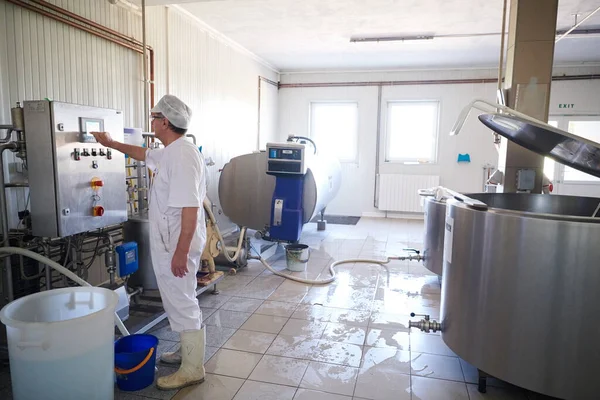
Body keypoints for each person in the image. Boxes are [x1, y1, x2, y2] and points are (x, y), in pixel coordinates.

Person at [92, 94, 206, 391]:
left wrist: (180, 252)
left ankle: (193, 368)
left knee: (181, 299)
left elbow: (190, 209)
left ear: (165, 122)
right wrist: (111, 144)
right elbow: (143, 154)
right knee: (180, 297)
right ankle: (186, 352)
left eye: (154, 117)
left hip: (176, 243)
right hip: (171, 240)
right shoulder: (169, 151)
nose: (151, 121)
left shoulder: (182, 155)